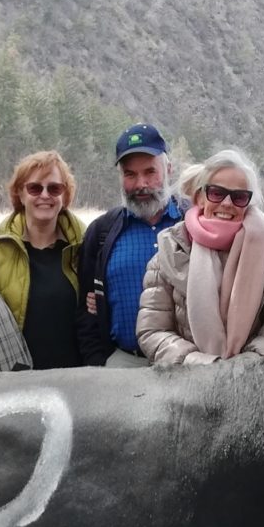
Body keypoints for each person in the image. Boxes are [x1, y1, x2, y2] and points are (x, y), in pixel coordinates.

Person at [136, 150, 264, 364]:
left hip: (252, 379)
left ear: (248, 202)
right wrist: (199, 362)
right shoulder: (170, 252)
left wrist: (249, 362)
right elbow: (153, 329)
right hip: (185, 379)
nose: (227, 203)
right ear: (200, 198)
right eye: (216, 193)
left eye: (239, 196)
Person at [77, 123, 185, 366]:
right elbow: (85, 309)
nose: (140, 184)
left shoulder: (194, 223)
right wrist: (100, 361)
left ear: (168, 169)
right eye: (130, 174)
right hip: (122, 365)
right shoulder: (101, 232)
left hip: (187, 366)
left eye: (150, 172)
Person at [0, 150, 85, 368]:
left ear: (65, 195)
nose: (45, 195)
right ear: (20, 192)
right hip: (14, 377)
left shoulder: (85, 243)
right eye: (35, 188)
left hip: (75, 377)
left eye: (54, 188)